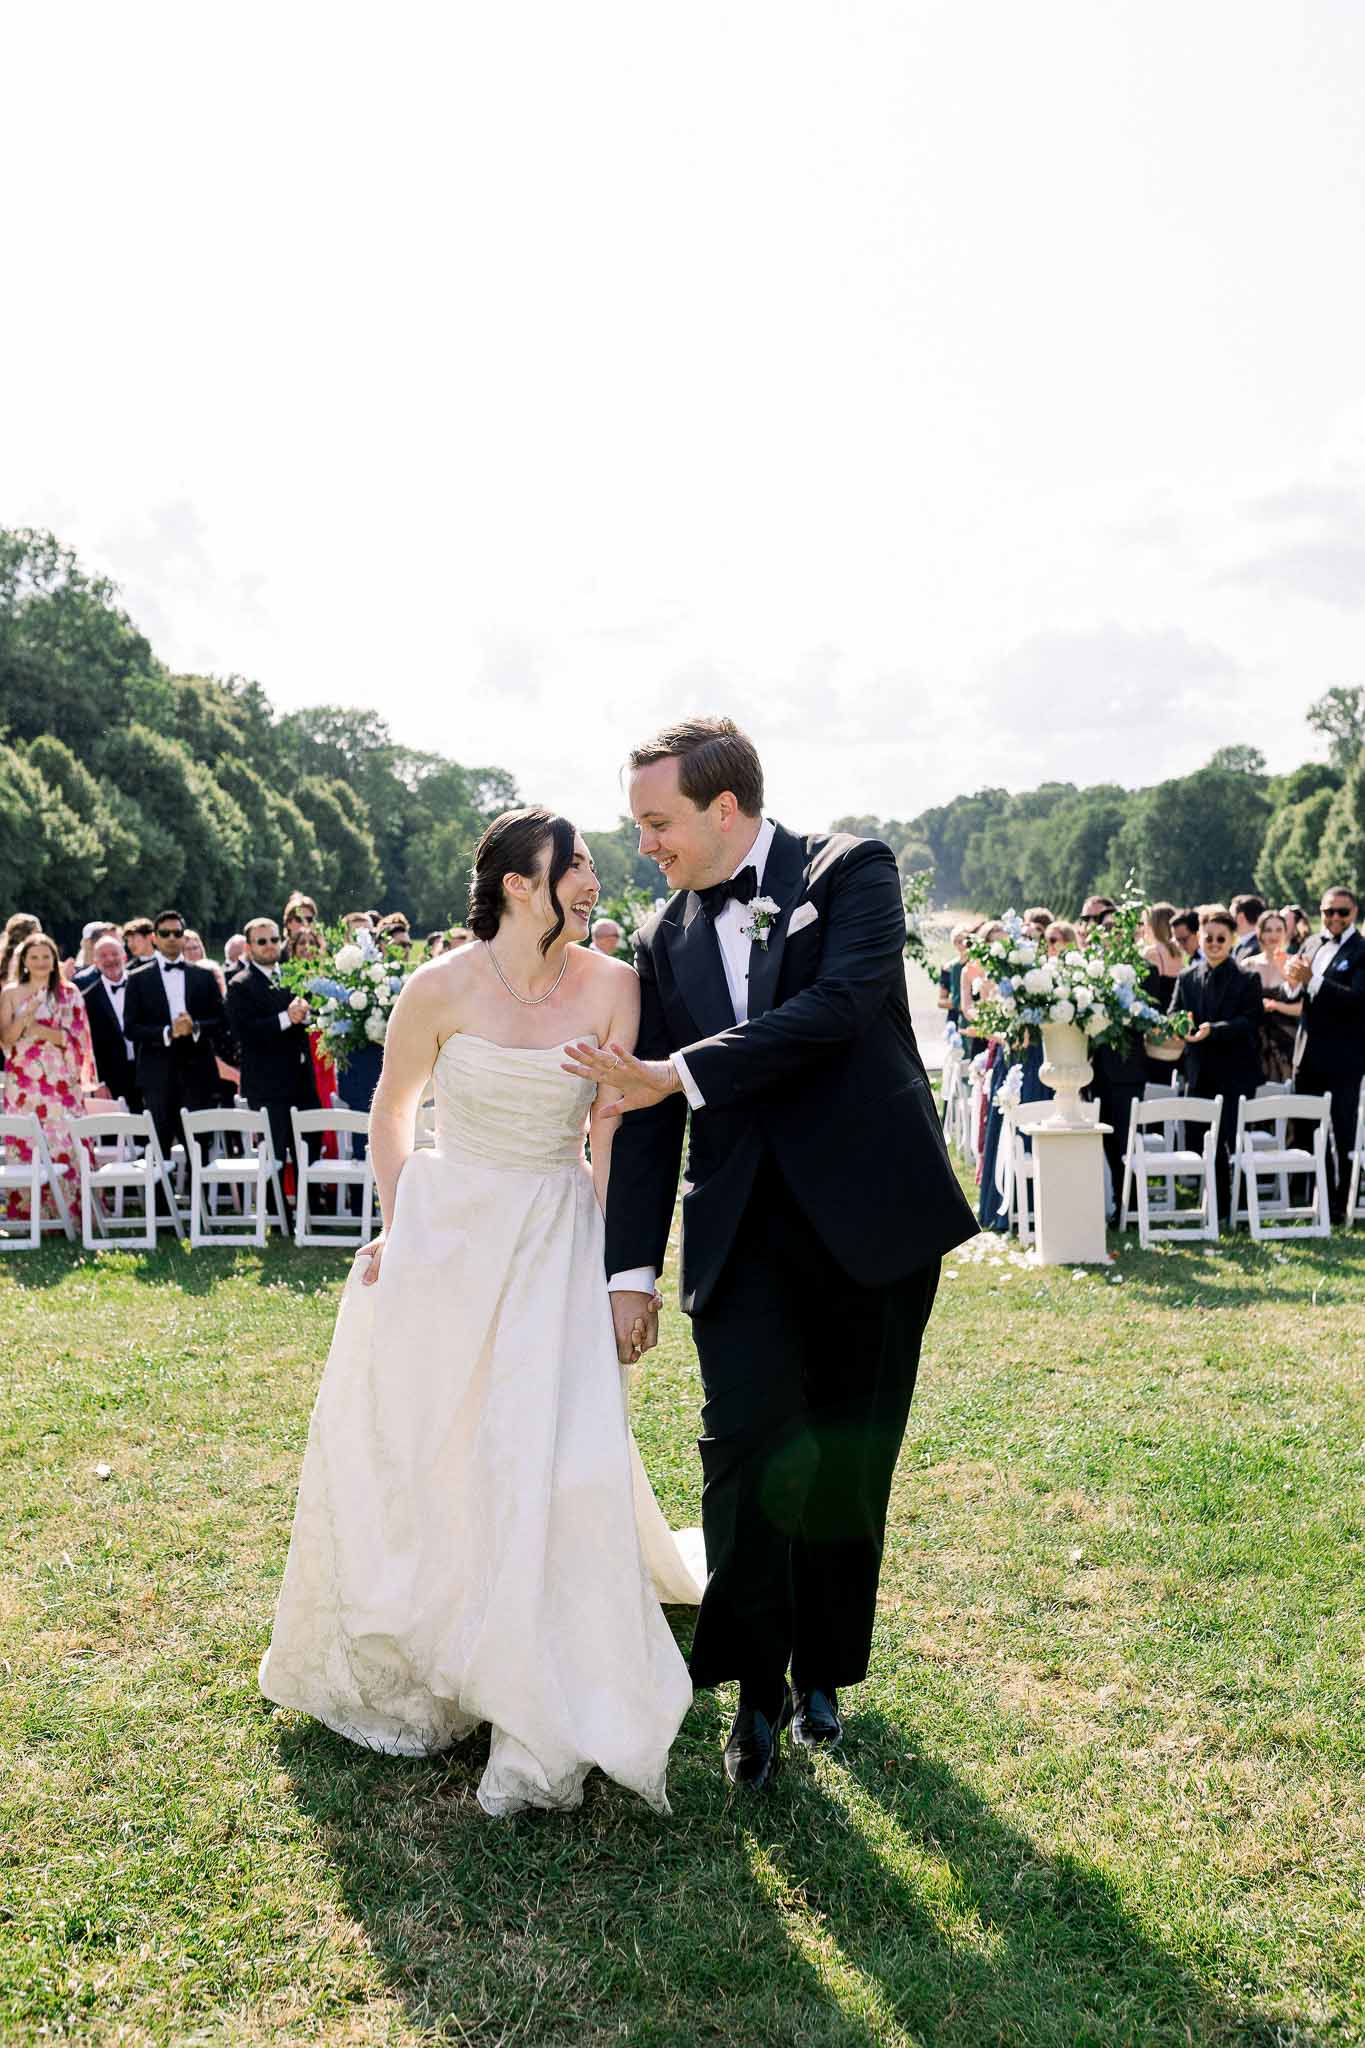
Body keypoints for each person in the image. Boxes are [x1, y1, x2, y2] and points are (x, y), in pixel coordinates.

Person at [563, 716, 977, 1791]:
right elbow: (646, 1112)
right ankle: (749, 1687)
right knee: (744, 1449)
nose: (645, 844)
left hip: (871, 1220)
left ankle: (825, 1671)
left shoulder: (852, 871)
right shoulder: (662, 936)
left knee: (847, 1454)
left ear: (725, 808)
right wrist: (630, 1271)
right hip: (741, 1233)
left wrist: (682, 1071)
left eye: (658, 823)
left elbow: (840, 1010)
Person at [260, 805, 698, 1818]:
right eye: (575, 862)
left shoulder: (616, 986)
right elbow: (393, 1111)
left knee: (552, 1445)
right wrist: (404, 1223)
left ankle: (544, 1666)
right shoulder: (439, 987)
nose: (594, 876)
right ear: (517, 881)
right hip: (453, 1229)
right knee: (447, 1442)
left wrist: (612, 1260)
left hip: (556, 1226)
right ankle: (448, 1640)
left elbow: (612, 1135)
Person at [1170, 907, 1263, 1218]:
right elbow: (1174, 1013)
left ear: (1232, 940)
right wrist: (1179, 1025)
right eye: (1208, 937)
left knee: (1228, 1141)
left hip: (1235, 1072)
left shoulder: (1248, 978)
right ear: (1199, 937)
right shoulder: (1186, 977)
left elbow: (1251, 1022)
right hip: (1198, 1072)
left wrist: (1214, 1030)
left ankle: (1229, 1209)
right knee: (1198, 1138)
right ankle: (1209, 1204)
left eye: (1220, 939)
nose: (1213, 943)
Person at [225, 917, 320, 1218]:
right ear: (250, 947)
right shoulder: (240, 985)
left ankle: (310, 1211)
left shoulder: (295, 975)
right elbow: (244, 1032)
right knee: (276, 1153)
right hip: (266, 1085)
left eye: (274, 939)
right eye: (261, 941)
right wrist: (285, 1018)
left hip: (301, 1081)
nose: (269, 946)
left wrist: (305, 1015)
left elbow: (313, 1014)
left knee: (310, 1146)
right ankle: (278, 1217)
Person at [1284, 886, 1365, 1221]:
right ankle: (1312, 1202)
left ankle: (1343, 1205)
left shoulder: (1362, 950)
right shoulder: (1311, 943)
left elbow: (1357, 1000)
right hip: (1307, 1053)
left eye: (1341, 912)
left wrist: (1313, 981)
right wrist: (1293, 982)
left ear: (1354, 913)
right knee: (1303, 1130)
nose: (1334, 918)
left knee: (1342, 1131)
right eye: (1328, 911)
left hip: (1344, 1057)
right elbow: (1299, 990)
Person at [0, 933, 94, 1221]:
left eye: (46, 957)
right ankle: (31, 1215)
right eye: (34, 957)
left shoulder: (70, 993)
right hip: (23, 1082)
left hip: (59, 1080)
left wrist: (40, 1031)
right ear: (24, 962)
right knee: (28, 1141)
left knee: (64, 1141)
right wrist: (26, 1015)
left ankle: (71, 1214)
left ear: (54, 961)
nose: (41, 962)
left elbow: (76, 1037)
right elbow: (6, 1038)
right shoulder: (10, 993)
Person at [122, 909, 226, 1164]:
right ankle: (159, 1205)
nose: (171, 938)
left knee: (199, 1148)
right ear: (155, 938)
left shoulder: (203, 976)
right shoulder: (137, 979)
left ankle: (200, 1204)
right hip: (157, 1075)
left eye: (177, 933)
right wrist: (167, 1032)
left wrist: (195, 1028)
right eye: (165, 933)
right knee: (158, 1147)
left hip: (197, 1075)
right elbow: (131, 1028)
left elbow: (223, 1022)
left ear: (183, 937)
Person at [82, 933, 141, 1109]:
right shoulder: (87, 998)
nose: (110, 960)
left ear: (124, 956)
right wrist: (98, 1083)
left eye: (114, 954)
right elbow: (87, 1044)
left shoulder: (143, 984)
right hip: (112, 1077)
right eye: (103, 956)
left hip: (148, 1071)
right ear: (95, 961)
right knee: (117, 1133)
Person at [1244, 908, 1301, 1084]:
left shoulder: (1296, 963)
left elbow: (1303, 1007)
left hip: (1286, 1040)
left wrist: (1275, 1006)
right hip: (1254, 1039)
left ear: (1286, 933)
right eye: (1268, 930)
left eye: (1278, 930)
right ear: (1259, 933)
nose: (1273, 935)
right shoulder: (1248, 964)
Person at [937, 924, 972, 1025]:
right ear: (954, 944)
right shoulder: (948, 968)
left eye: (965, 941)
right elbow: (941, 1001)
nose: (963, 945)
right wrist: (960, 1003)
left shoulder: (976, 965)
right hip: (955, 1019)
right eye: (958, 942)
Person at [1231, 894, 1265, 961]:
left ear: (1241, 918)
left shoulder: (1255, 949)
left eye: (1231, 916)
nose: (1229, 921)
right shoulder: (1241, 945)